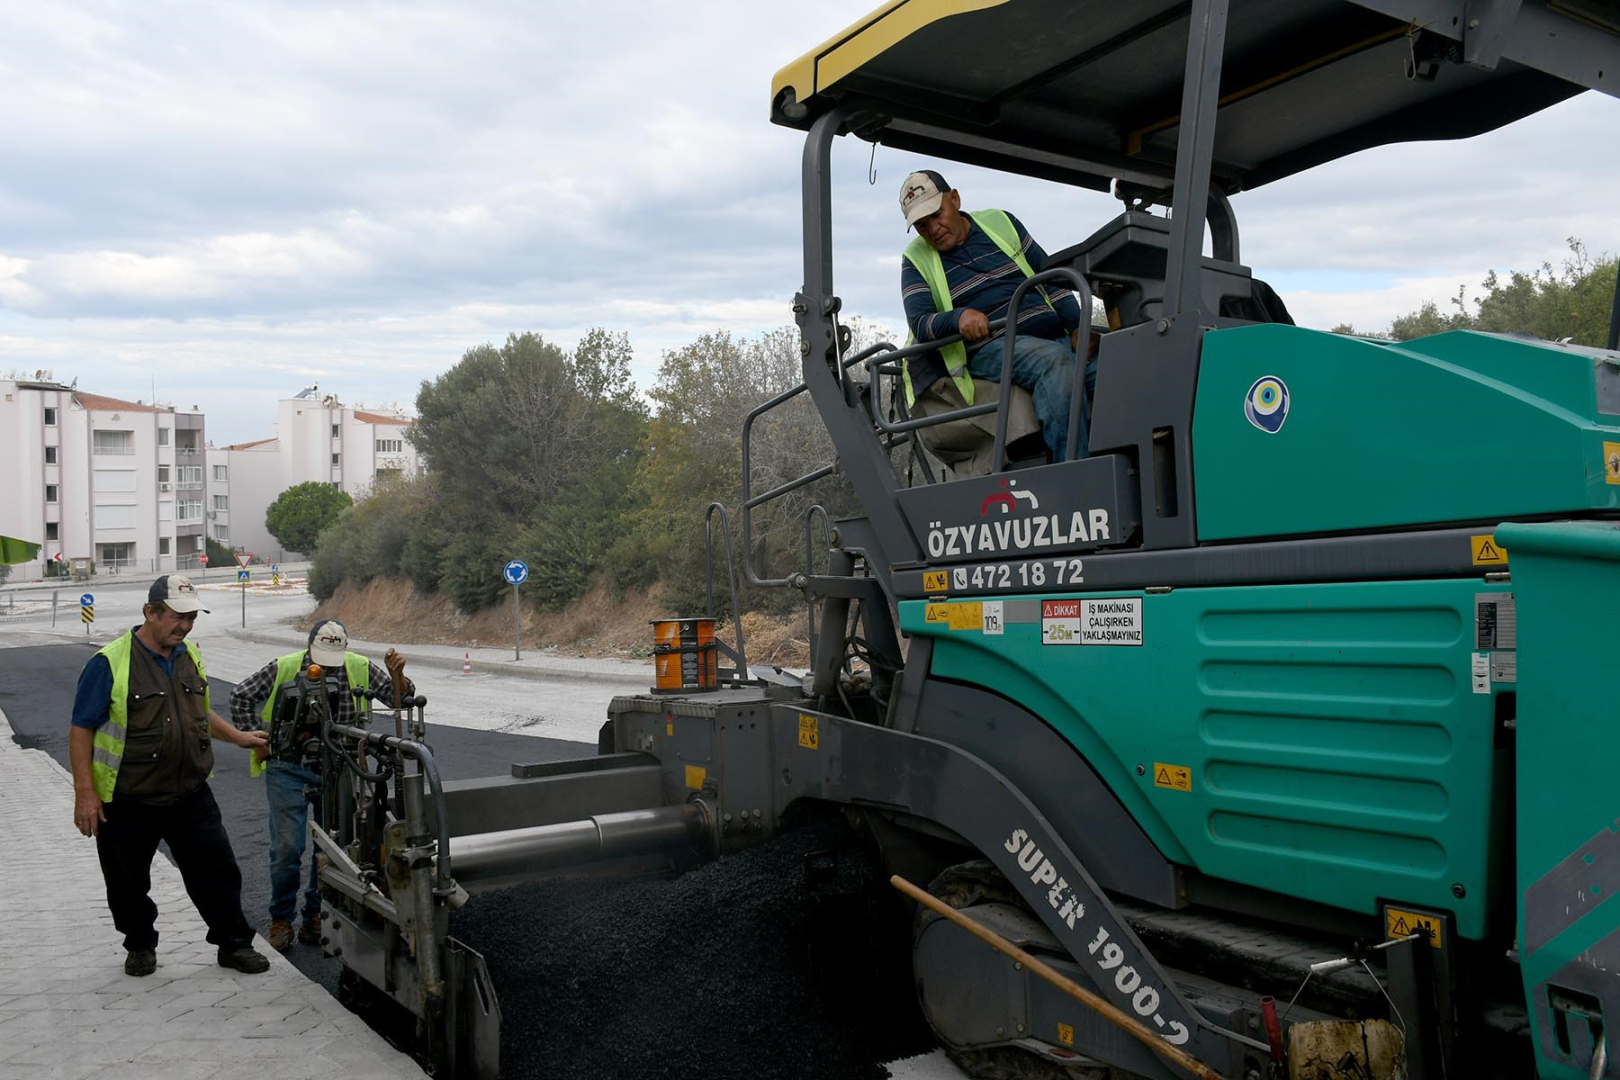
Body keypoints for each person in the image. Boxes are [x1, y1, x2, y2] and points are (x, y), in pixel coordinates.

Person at [69, 574, 272, 977]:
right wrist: (85, 794)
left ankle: (233, 944)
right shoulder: (110, 662)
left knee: (218, 873)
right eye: (178, 617)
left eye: (192, 617)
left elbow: (200, 714)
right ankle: (140, 944)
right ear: (151, 612)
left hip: (190, 794)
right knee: (127, 884)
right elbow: (81, 729)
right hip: (128, 799)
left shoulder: (188, 655)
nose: (185, 625)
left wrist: (240, 738)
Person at [229, 619, 412, 952]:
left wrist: (397, 674)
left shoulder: (358, 667)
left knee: (332, 847)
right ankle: (281, 919)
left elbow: (401, 697)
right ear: (309, 647)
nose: (327, 667)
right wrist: (257, 739)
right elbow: (241, 695)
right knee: (287, 847)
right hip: (289, 766)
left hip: (340, 765)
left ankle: (317, 915)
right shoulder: (284, 667)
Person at [898, 169, 1097, 462]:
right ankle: (1076, 475)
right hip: (993, 346)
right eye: (922, 225)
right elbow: (920, 321)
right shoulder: (915, 259)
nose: (933, 229)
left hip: (1056, 336)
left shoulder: (1001, 222)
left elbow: (1052, 279)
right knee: (1053, 363)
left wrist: (1077, 325)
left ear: (954, 198)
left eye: (936, 214)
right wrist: (959, 318)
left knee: (1117, 362)